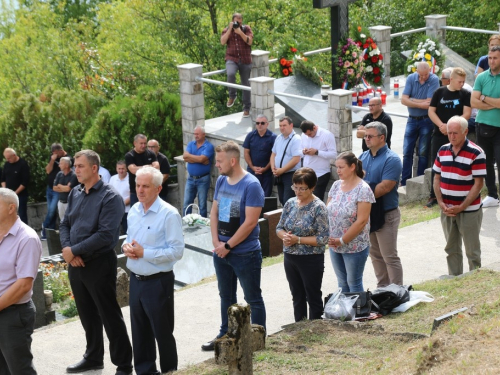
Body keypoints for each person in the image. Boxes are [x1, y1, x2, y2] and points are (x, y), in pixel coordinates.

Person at [59, 150, 133, 375]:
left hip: (99, 264)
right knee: (87, 314)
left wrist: (74, 251)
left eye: (80, 166)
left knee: (109, 314)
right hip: (76, 264)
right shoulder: (75, 193)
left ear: (94, 169)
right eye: (75, 166)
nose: (75, 170)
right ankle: (93, 357)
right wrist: (68, 251)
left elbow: (106, 236)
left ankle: (123, 364)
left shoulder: (111, 197)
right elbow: (64, 225)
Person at [202, 141, 265, 351]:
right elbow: (214, 212)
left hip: (244, 253)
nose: (216, 165)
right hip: (221, 251)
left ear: (232, 160)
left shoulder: (251, 185)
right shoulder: (221, 181)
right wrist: (216, 242)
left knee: (252, 298)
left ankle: (256, 339)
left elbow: (250, 222)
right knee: (226, 297)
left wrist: (227, 245)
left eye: (219, 161)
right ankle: (226, 335)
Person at [123, 166, 184, 374]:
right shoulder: (133, 210)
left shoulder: (169, 214)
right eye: (137, 185)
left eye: (145, 186)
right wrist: (126, 247)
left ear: (158, 189)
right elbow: (129, 237)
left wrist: (144, 253)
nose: (140, 190)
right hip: (136, 280)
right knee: (139, 333)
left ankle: (169, 371)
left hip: (158, 282)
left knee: (163, 333)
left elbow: (177, 252)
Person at [433, 116, 486, 276]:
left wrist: (462, 206)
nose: (452, 136)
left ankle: (474, 282)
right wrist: (441, 203)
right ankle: (455, 280)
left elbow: (479, 184)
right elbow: (436, 177)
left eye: (455, 133)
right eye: (449, 133)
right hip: (447, 210)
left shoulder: (476, 153)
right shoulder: (442, 150)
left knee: (472, 252)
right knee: (451, 249)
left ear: (466, 132)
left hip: (469, 211)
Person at [276, 167, 329, 321]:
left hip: (310, 258)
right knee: (297, 295)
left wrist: (297, 239)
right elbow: (279, 227)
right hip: (290, 256)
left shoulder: (319, 207)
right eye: (295, 187)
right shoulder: (290, 203)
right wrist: (284, 236)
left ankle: (316, 328)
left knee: (312, 296)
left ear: (312, 187)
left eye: (302, 188)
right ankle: (299, 327)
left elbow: (323, 238)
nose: (298, 192)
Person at [0, 188, 42, 375]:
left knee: (19, 370)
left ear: (11, 208)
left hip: (13, 315)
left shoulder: (27, 238)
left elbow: (24, 284)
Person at [359, 122, 404, 288]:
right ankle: (383, 289)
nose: (367, 139)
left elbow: (384, 187)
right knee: (375, 255)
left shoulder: (392, 159)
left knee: (389, 256)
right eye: (365, 136)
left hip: (386, 213)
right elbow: (355, 182)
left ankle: (397, 291)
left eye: (370, 136)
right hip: (368, 213)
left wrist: (360, 197)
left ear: (382, 137)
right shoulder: (363, 157)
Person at [327, 153, 374, 292]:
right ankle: (346, 312)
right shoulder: (336, 185)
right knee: (342, 283)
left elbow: (362, 221)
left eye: (341, 167)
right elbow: (326, 211)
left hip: (354, 246)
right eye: (337, 167)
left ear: (352, 167)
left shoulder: (363, 189)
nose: (338, 170)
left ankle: (359, 313)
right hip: (334, 245)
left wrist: (342, 240)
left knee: (353, 282)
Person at [425, 67, 471, 208]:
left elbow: (467, 113)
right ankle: (434, 194)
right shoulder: (439, 92)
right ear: (451, 79)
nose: (461, 84)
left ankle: (457, 191)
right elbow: (431, 111)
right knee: (437, 164)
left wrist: (452, 126)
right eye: (459, 81)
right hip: (440, 133)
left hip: (457, 134)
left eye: (463, 82)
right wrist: (441, 126)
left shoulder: (465, 94)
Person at [401, 62, 440, 186]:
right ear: (416, 71)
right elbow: (403, 100)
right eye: (421, 75)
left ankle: (419, 181)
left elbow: (429, 103)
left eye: (426, 74)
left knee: (423, 153)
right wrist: (419, 103)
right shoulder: (411, 78)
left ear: (430, 70)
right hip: (411, 119)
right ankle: (405, 181)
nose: (423, 77)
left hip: (426, 120)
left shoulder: (434, 80)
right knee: (407, 152)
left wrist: (411, 99)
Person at [471, 45, 500, 208]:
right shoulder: (481, 77)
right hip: (482, 126)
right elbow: (473, 102)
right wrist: (493, 103)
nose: (491, 61)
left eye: (495, 58)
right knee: (486, 162)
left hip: (499, 128)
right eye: (489, 58)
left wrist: (484, 98)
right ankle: (492, 195)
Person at [221, 12, 253, 118]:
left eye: (239, 21)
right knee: (230, 74)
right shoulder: (227, 30)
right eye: (236, 21)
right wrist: (230, 29)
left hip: (245, 59)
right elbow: (222, 42)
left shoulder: (246, 29)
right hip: (231, 58)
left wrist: (240, 32)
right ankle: (232, 96)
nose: (237, 23)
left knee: (246, 84)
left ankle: (246, 108)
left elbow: (249, 42)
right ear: (232, 21)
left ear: (242, 21)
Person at [300, 121, 337, 202]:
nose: (308, 136)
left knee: (315, 200)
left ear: (315, 128)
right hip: (306, 173)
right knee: (304, 199)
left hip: (321, 174)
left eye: (310, 134)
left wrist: (317, 152)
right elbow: (299, 151)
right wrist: (303, 151)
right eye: (307, 135)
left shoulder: (327, 135)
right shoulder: (304, 135)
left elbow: (333, 154)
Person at [183, 126, 215, 218]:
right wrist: (200, 160)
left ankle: (203, 227)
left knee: (202, 206)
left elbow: (202, 159)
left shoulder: (208, 146)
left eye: (198, 134)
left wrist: (191, 158)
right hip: (190, 178)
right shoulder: (191, 144)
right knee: (186, 204)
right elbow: (185, 156)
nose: (195, 136)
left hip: (203, 179)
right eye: (195, 134)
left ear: (203, 134)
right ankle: (185, 223)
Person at [270, 116, 302, 206]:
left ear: (291, 125)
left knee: (288, 200)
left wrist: (282, 170)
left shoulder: (296, 139)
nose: (282, 128)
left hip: (290, 174)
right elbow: (273, 154)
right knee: (282, 199)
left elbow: (296, 159)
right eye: (280, 125)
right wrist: (273, 168)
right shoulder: (279, 137)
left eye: (284, 125)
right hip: (279, 174)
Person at [243, 114, 277, 197]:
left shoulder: (273, 137)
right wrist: (252, 167)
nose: (259, 125)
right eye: (257, 123)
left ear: (267, 124)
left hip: (267, 174)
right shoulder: (250, 136)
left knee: (265, 198)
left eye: (262, 123)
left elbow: (275, 156)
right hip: (252, 172)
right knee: (251, 195)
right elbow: (246, 152)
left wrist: (265, 169)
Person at [42, 143, 70, 239]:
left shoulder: (68, 158)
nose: (54, 155)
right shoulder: (53, 158)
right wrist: (52, 160)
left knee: (52, 210)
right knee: (52, 212)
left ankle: (44, 227)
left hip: (58, 190)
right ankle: (50, 234)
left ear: (60, 151)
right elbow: (48, 171)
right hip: (50, 188)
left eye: (56, 153)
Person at [125, 134, 159, 207]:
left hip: (151, 190)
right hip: (136, 192)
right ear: (135, 143)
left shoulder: (151, 154)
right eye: (141, 143)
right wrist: (148, 166)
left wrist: (139, 168)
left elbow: (157, 167)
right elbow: (133, 170)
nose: (143, 146)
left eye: (145, 143)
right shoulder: (129, 155)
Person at [1, 148, 30, 224]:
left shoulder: (23, 164)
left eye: (9, 158)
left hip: (20, 195)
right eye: (6, 158)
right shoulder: (7, 164)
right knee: (9, 214)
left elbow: (25, 182)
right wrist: (5, 190)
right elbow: (3, 179)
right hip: (8, 195)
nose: (8, 160)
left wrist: (14, 193)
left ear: (14, 155)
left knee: (22, 214)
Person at [52, 156, 78, 221]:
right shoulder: (59, 174)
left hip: (70, 203)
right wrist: (65, 187)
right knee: (62, 222)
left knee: (71, 221)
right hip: (61, 202)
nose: (59, 165)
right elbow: (54, 188)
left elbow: (68, 189)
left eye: (61, 163)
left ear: (66, 165)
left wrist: (60, 186)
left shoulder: (73, 175)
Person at [109, 160, 130, 234]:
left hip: (127, 211)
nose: (121, 171)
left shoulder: (131, 179)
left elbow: (132, 195)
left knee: (127, 232)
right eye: (119, 168)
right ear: (116, 169)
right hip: (115, 211)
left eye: (123, 168)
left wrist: (121, 204)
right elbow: (110, 193)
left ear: (126, 168)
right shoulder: (113, 179)